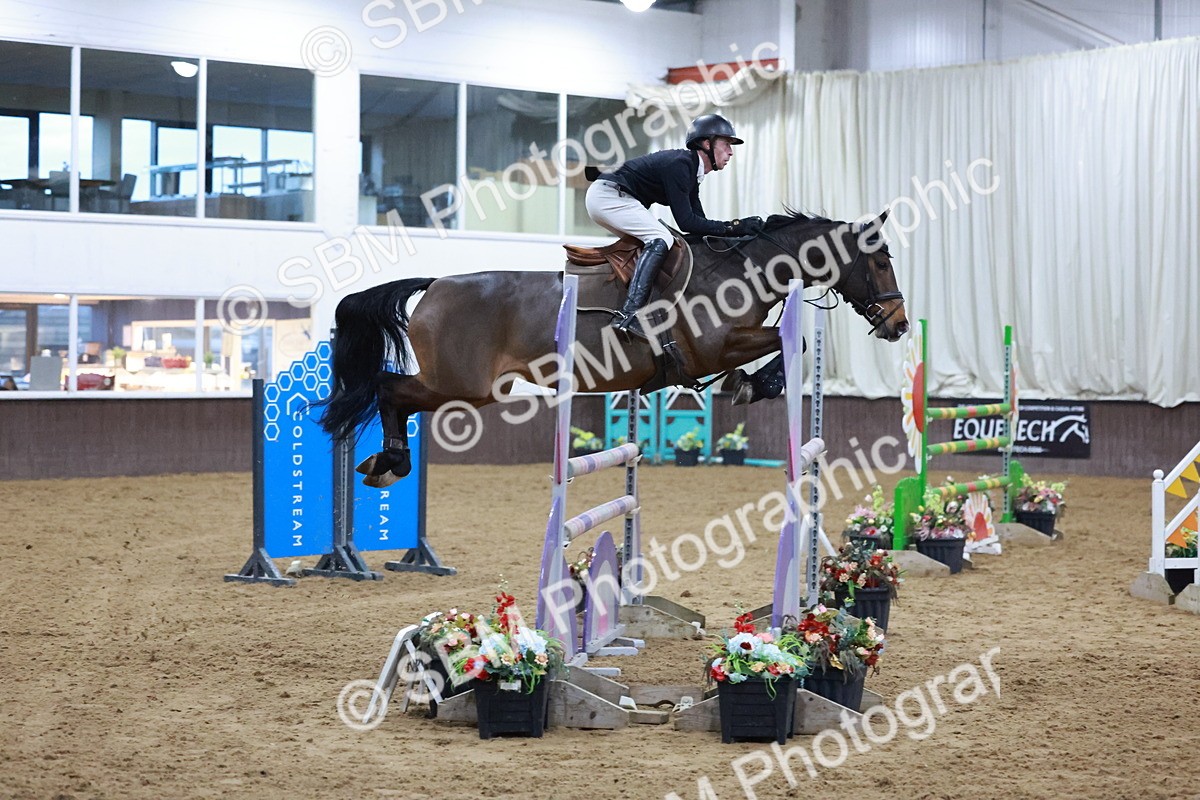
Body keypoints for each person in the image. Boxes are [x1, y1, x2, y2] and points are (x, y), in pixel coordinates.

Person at [585, 113, 764, 339]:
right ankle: (628, 315)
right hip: (609, 196)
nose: (731, 152)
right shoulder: (680, 165)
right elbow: (686, 221)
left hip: (612, 196)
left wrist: (737, 235)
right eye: (726, 144)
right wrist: (734, 227)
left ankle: (640, 306)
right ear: (706, 144)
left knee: (663, 241)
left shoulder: (691, 171)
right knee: (662, 239)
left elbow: (699, 226)